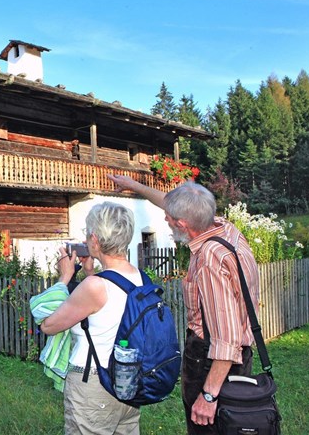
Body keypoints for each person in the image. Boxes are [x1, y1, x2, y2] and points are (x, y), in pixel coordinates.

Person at [107, 174, 259, 435]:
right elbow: (172, 203)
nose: (165, 219)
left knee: (210, 428)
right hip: (237, 359)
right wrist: (134, 186)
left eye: (168, 218)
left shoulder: (210, 261)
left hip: (212, 362)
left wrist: (209, 396)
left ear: (182, 224)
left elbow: (226, 338)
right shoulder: (226, 229)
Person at [41, 201, 142, 435]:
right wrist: (89, 272)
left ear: (95, 240)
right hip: (127, 381)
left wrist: (64, 277)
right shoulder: (139, 277)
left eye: (88, 235)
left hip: (94, 385)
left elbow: (49, 325)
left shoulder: (95, 286)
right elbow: (107, 308)